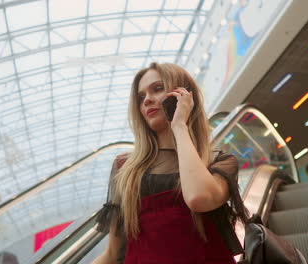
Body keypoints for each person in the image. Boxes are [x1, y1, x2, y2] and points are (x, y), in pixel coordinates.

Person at [92, 62, 249, 264]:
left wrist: (179, 126)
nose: (147, 100)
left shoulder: (219, 162)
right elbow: (112, 254)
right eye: (141, 98)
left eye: (157, 89)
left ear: (184, 96)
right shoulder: (125, 168)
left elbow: (199, 198)